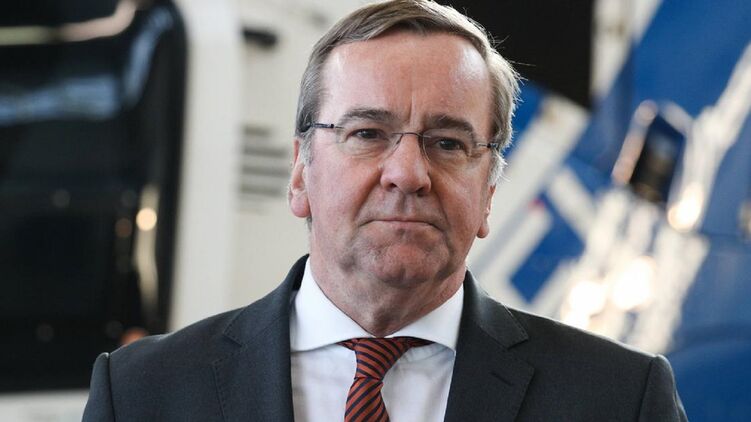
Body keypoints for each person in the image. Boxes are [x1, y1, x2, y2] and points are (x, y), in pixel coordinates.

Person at [83, 0, 687, 420]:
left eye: (448, 143)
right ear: (300, 172)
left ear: (488, 193)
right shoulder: (141, 394)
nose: (407, 173)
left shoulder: (620, 400)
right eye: (368, 133)